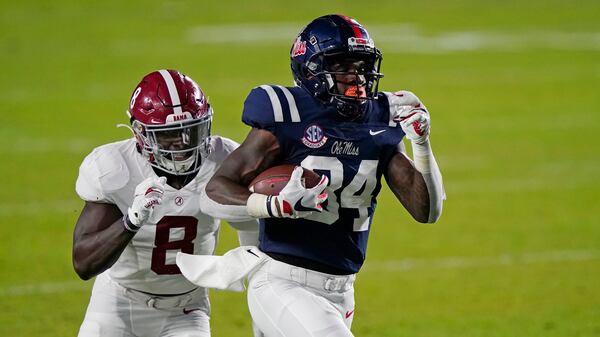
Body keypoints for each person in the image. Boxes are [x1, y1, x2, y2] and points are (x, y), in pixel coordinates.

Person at [196, 14, 445, 337]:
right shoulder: (288, 115)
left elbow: (426, 211)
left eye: (361, 66)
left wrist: (422, 144)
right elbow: (214, 192)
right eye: (343, 66)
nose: (356, 77)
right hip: (282, 280)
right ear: (312, 71)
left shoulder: (381, 119)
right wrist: (273, 205)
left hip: (342, 290)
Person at [72, 69, 259, 337]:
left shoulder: (223, 159)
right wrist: (131, 220)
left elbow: (252, 226)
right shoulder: (114, 168)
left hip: (186, 309)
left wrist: (249, 273)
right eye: (169, 134)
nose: (182, 143)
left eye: (190, 131)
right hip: (118, 305)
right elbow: (83, 264)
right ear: (141, 134)